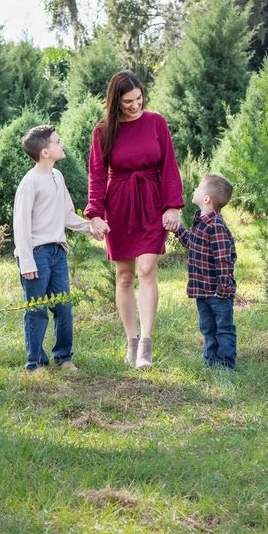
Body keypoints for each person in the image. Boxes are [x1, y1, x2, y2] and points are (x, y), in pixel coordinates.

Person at [85, 71, 183, 368]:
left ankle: (146, 344)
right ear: (116, 100)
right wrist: (94, 213)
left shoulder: (156, 122)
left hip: (152, 201)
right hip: (120, 204)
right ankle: (131, 339)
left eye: (139, 98)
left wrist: (173, 206)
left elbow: (169, 165)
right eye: (128, 101)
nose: (135, 105)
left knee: (147, 269)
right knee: (125, 275)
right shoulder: (103, 131)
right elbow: (97, 174)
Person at [13, 124, 101, 372]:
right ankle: (35, 362)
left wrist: (90, 228)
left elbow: (66, 215)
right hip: (36, 254)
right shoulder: (30, 182)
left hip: (57, 252)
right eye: (57, 141)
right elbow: (20, 224)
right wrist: (27, 261)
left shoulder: (57, 177)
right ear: (45, 152)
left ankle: (64, 357)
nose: (61, 144)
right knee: (36, 309)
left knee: (63, 306)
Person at [173, 174, 238, 369]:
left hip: (218, 292)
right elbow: (192, 244)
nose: (195, 189)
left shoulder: (216, 225)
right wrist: (177, 229)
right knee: (208, 328)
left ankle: (226, 364)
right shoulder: (201, 223)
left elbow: (223, 259)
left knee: (223, 328)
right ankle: (211, 362)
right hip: (202, 290)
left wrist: (223, 288)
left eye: (199, 188)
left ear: (207, 199)